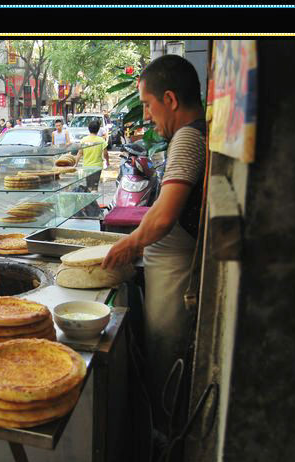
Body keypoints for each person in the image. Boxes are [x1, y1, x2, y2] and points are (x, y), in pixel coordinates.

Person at [101, 54, 207, 440]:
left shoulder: (187, 139)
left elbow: (163, 219)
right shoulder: (193, 132)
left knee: (168, 363)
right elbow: (160, 208)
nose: (146, 115)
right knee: (163, 360)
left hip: (177, 280)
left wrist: (128, 246)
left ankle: (166, 449)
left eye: (147, 104)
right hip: (166, 272)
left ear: (171, 100)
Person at [74, 120, 108, 191]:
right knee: (95, 186)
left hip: (87, 166)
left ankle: (90, 199)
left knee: (89, 186)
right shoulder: (101, 140)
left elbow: (80, 153)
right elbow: (105, 153)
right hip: (97, 167)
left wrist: (76, 163)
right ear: (98, 129)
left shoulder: (83, 140)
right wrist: (107, 162)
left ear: (89, 128)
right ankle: (93, 200)